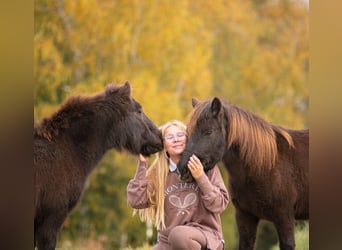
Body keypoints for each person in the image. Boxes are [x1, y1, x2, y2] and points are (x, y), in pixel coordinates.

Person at [127, 120, 229, 250]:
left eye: (180, 135)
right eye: (169, 137)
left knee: (179, 235)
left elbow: (219, 204)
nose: (176, 140)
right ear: (163, 145)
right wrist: (142, 162)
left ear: (188, 140)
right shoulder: (158, 173)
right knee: (174, 236)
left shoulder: (205, 166)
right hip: (167, 243)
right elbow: (136, 201)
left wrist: (200, 177)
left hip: (205, 236)